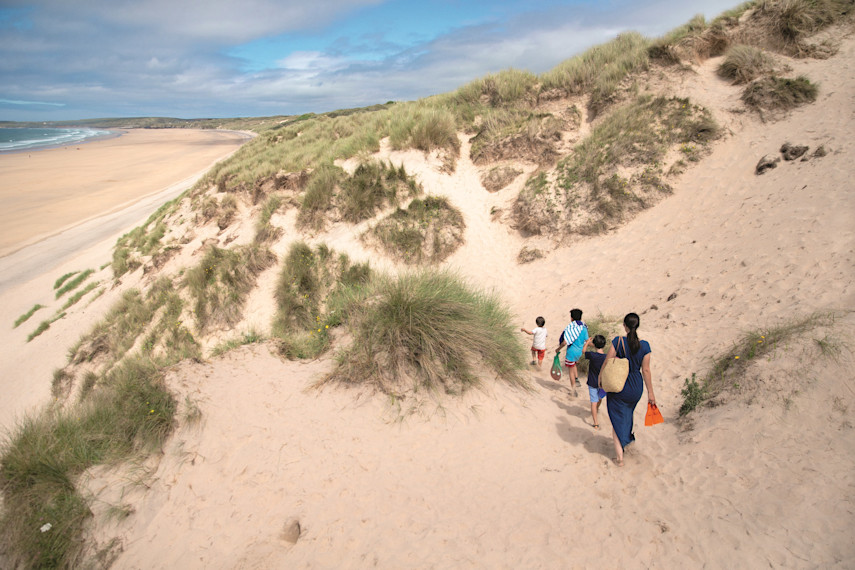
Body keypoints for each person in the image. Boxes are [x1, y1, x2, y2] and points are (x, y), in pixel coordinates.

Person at [603, 312, 656, 467]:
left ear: (624, 326)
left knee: (616, 418)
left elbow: (608, 362)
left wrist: (600, 379)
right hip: (636, 387)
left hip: (620, 385)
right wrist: (651, 393)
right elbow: (645, 370)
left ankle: (620, 457)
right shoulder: (645, 346)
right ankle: (627, 440)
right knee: (627, 415)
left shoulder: (618, 342)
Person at [555, 308, 588, 393]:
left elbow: (565, 342)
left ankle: (573, 390)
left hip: (571, 352)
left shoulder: (571, 328)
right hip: (579, 353)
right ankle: (577, 379)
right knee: (574, 365)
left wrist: (558, 349)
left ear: (571, 318)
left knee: (570, 371)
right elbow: (586, 340)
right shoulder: (584, 327)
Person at [582, 335, 607, 429]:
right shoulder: (606, 357)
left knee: (593, 401)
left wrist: (588, 343)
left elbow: (583, 351)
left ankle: (596, 423)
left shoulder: (592, 355)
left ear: (594, 345)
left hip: (593, 382)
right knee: (599, 398)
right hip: (603, 383)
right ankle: (596, 409)